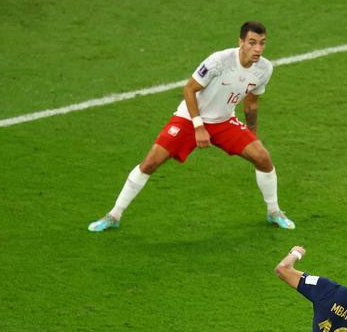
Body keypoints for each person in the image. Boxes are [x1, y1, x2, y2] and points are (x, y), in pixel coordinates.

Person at [88, 21, 295, 232]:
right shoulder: (219, 61)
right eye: (252, 43)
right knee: (151, 162)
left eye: (262, 43)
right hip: (190, 118)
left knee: (263, 158)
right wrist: (198, 127)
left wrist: (252, 135)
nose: (258, 49)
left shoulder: (264, 68)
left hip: (223, 121)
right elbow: (189, 89)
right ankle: (114, 215)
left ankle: (274, 212)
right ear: (241, 42)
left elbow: (251, 103)